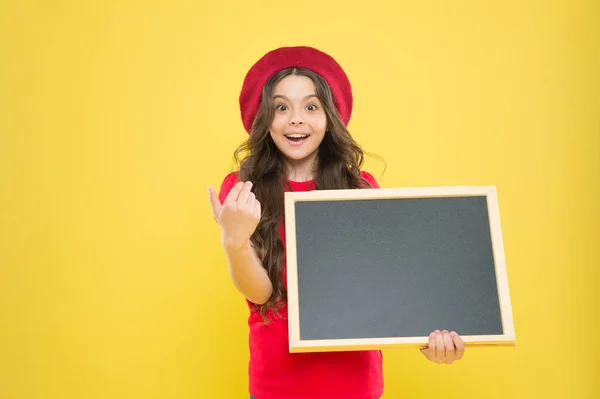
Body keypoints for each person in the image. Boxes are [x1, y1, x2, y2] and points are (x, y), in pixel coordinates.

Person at [208, 46, 465, 399]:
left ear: (329, 117)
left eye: (311, 107)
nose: (296, 119)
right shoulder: (241, 190)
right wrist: (234, 242)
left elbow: (386, 283)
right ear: (265, 118)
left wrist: (429, 335)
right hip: (277, 387)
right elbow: (262, 294)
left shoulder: (361, 187)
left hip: (355, 384)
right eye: (282, 107)